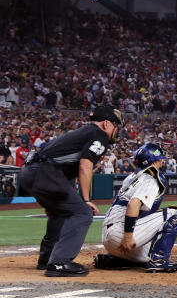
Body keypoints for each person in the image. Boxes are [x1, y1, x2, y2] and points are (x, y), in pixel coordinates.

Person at [17, 105, 122, 276]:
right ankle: (59, 262)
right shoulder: (99, 135)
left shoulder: (80, 132)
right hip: (45, 173)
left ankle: (47, 259)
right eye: (115, 126)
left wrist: (49, 201)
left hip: (29, 172)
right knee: (83, 213)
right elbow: (85, 165)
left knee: (61, 211)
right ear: (105, 123)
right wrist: (86, 199)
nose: (115, 130)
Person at [94, 142, 177, 273]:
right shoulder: (150, 178)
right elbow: (133, 204)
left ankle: (113, 259)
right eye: (160, 157)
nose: (162, 160)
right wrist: (127, 236)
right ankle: (159, 262)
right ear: (155, 160)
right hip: (121, 234)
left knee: (147, 255)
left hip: (109, 239)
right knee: (176, 213)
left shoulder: (132, 177)